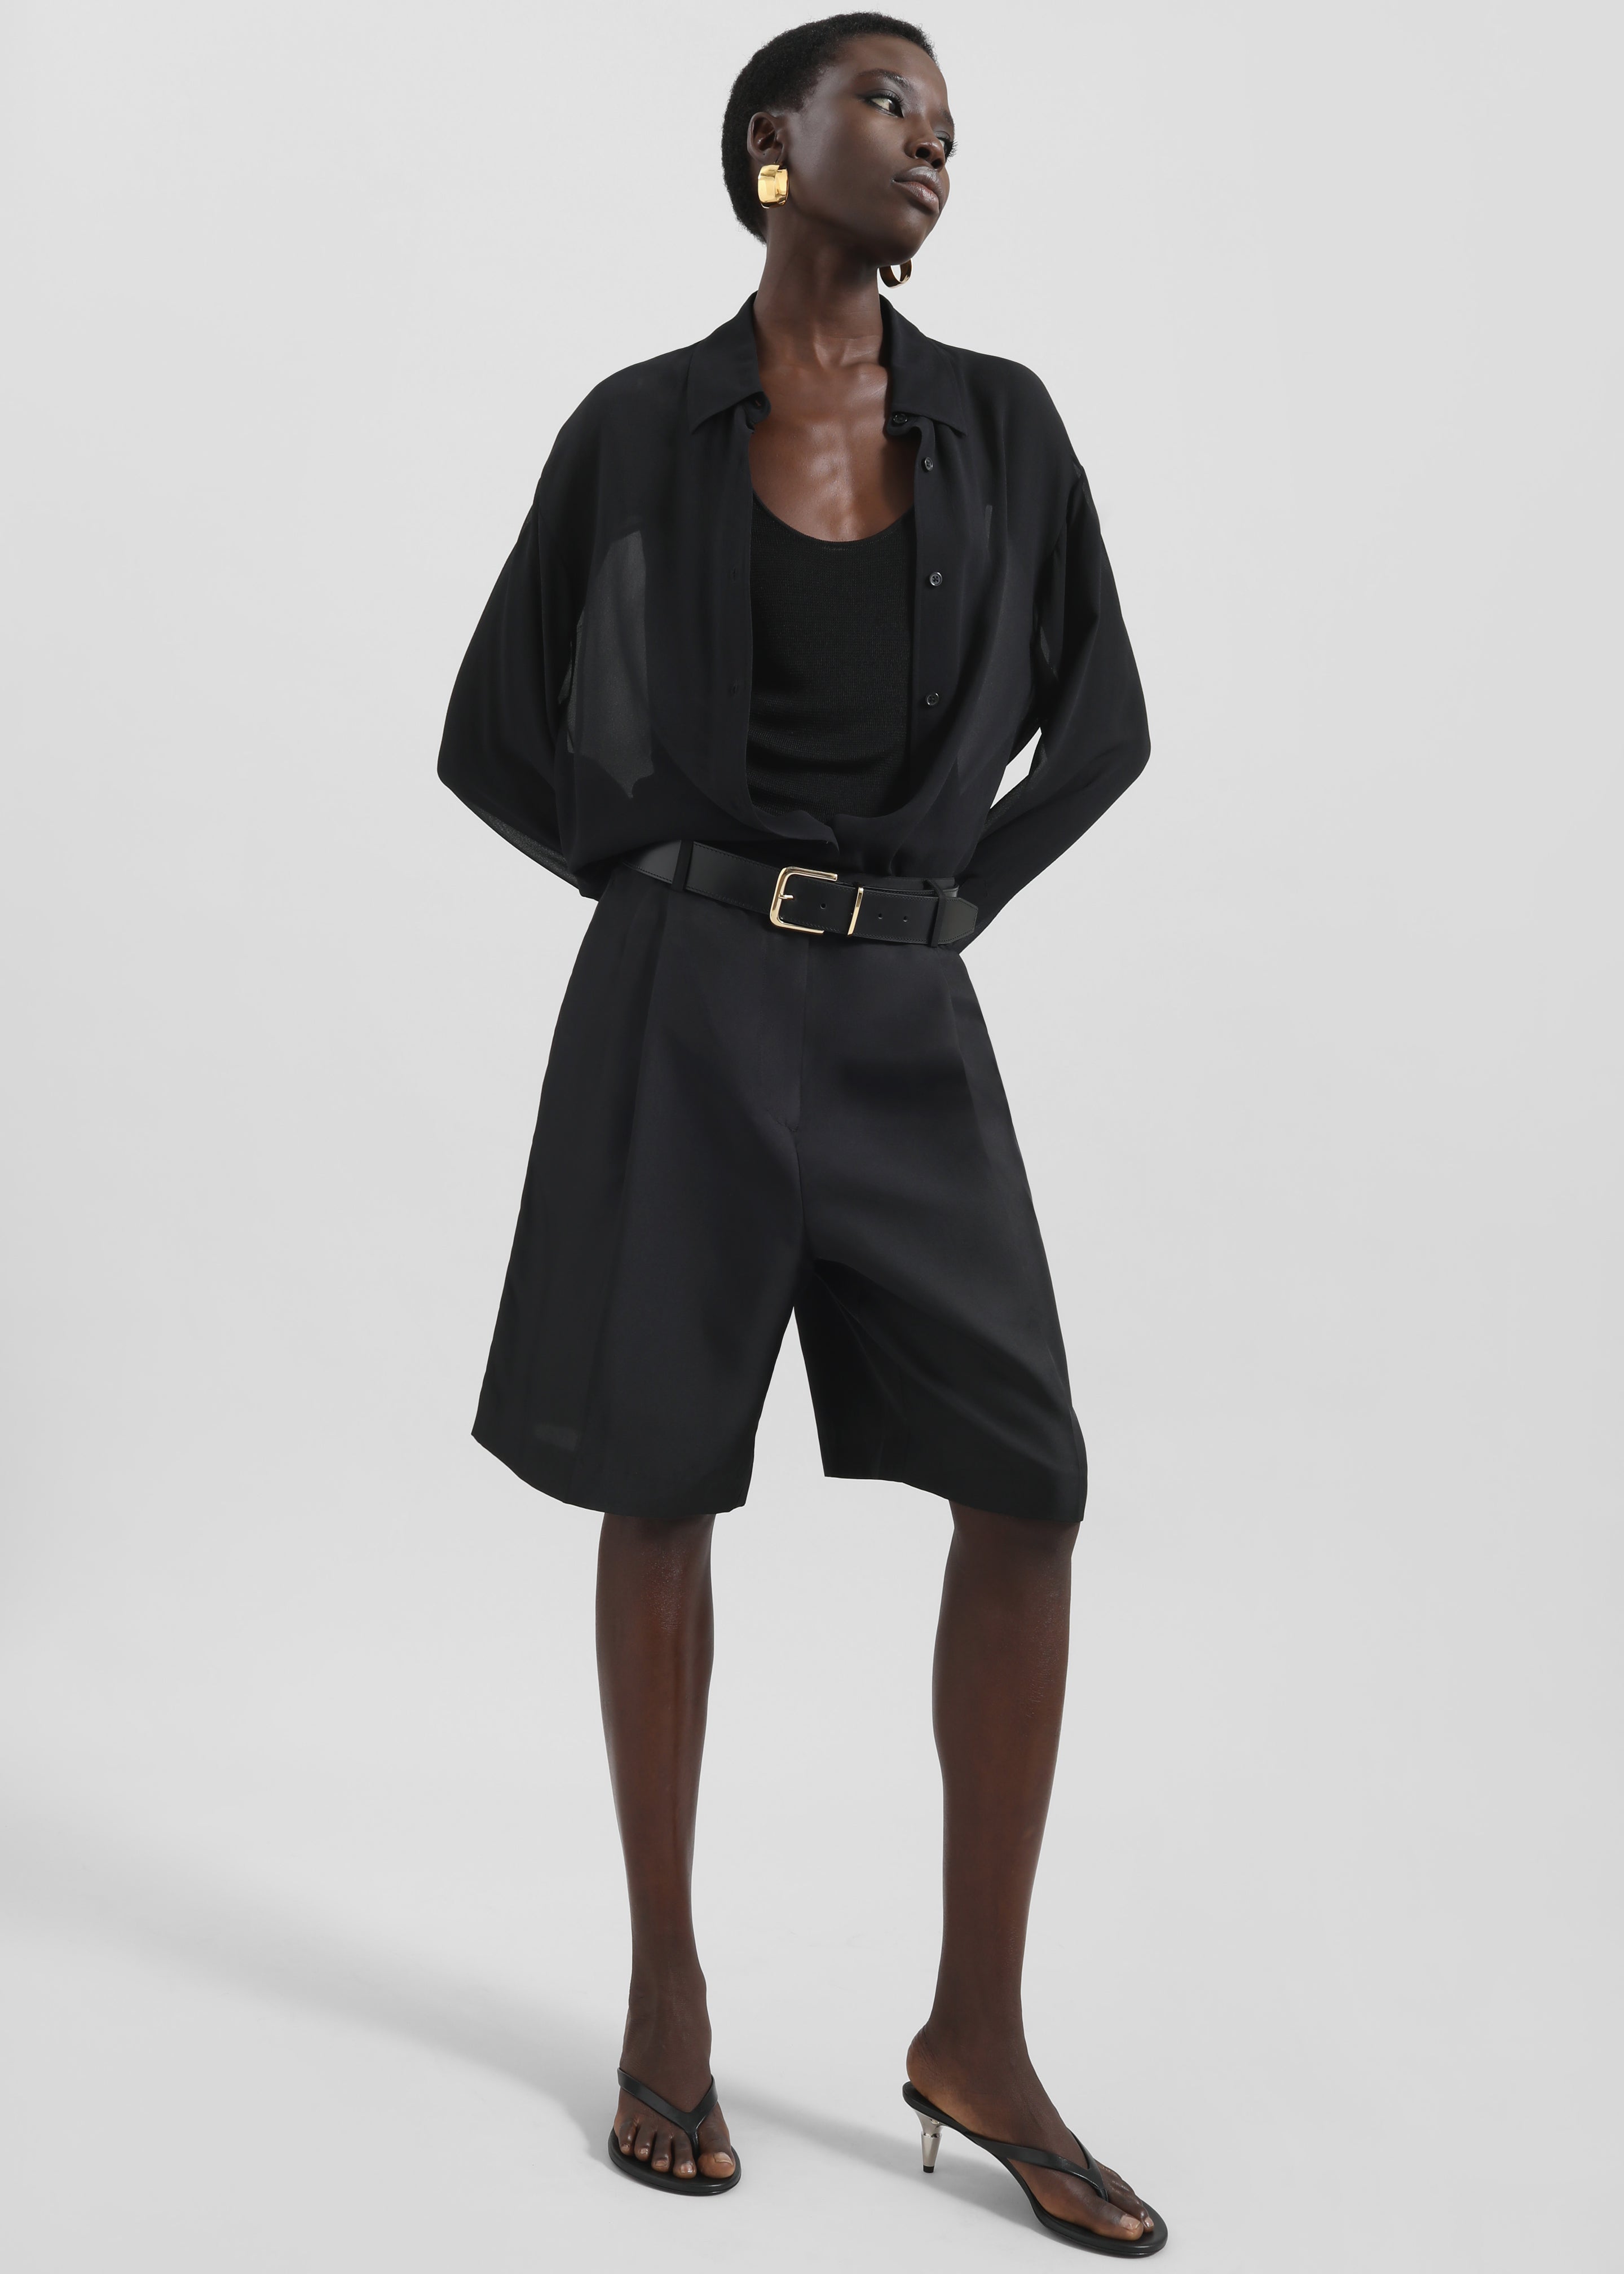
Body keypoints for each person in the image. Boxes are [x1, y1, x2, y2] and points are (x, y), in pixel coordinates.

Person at [436, 12, 1162, 2254]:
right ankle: (666, 1993)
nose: (932, 142)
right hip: (680, 1014)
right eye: (888, 104)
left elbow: (1104, 728)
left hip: (901, 1023)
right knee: (661, 1478)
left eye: (949, 123)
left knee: (1029, 1479)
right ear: (778, 143)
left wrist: (938, 912)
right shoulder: (636, 429)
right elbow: (492, 730)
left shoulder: (1002, 427)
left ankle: (979, 2034)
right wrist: (667, 892)